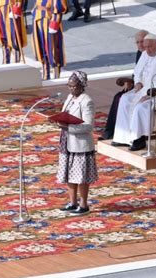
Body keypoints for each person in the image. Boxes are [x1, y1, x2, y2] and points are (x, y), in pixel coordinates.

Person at [111, 34, 156, 151]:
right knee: (125, 99)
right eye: (145, 47)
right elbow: (138, 71)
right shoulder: (145, 53)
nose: (147, 50)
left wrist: (149, 94)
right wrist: (137, 82)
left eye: (150, 47)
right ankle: (123, 137)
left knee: (141, 107)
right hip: (145, 88)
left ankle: (139, 139)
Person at [55, 71, 98, 216]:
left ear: (81, 85)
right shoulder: (69, 98)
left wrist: (68, 127)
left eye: (74, 86)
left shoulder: (87, 101)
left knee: (81, 177)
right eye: (69, 86)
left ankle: (84, 205)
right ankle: (72, 203)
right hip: (67, 142)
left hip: (80, 145)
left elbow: (89, 126)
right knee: (69, 174)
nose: (71, 89)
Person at [98, 30, 148, 141]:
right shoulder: (140, 52)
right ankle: (112, 132)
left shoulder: (152, 53)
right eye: (137, 42)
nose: (140, 45)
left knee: (121, 98)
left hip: (147, 89)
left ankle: (121, 133)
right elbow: (137, 72)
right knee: (118, 97)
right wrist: (129, 81)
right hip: (137, 86)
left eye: (142, 42)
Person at [32, 0, 68, 80]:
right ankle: (46, 74)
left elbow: (58, 8)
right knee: (42, 48)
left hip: (49, 20)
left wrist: (55, 23)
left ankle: (56, 76)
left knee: (53, 50)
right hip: (38, 18)